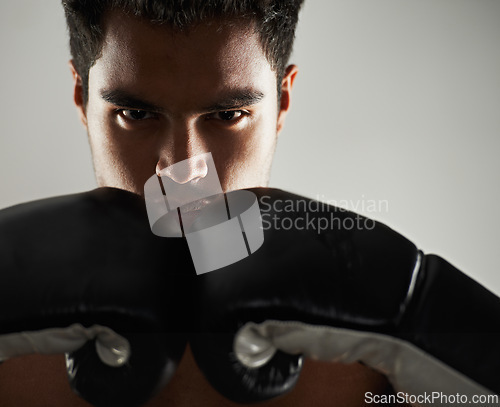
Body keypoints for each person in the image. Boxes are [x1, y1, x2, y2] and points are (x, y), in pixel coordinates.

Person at [0, 1, 498, 406]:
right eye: (135, 113)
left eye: (228, 114)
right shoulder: (14, 353)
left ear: (282, 102)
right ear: (80, 96)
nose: (181, 168)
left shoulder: (372, 361)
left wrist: (445, 329)